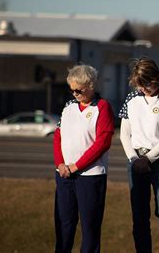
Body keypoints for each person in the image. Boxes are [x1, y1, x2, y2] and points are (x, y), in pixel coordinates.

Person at [118, 57, 159, 253]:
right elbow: (124, 133)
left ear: (157, 78)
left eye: (147, 84)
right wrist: (134, 159)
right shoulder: (131, 99)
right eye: (140, 85)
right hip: (135, 159)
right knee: (139, 213)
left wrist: (148, 159)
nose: (144, 89)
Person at [53, 64, 114, 253]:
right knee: (63, 226)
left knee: (90, 229)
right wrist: (61, 164)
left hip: (90, 176)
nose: (75, 94)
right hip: (64, 176)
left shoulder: (102, 107)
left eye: (78, 90)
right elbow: (58, 136)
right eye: (71, 90)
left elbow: (102, 142)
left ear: (90, 85)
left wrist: (76, 166)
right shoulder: (68, 107)